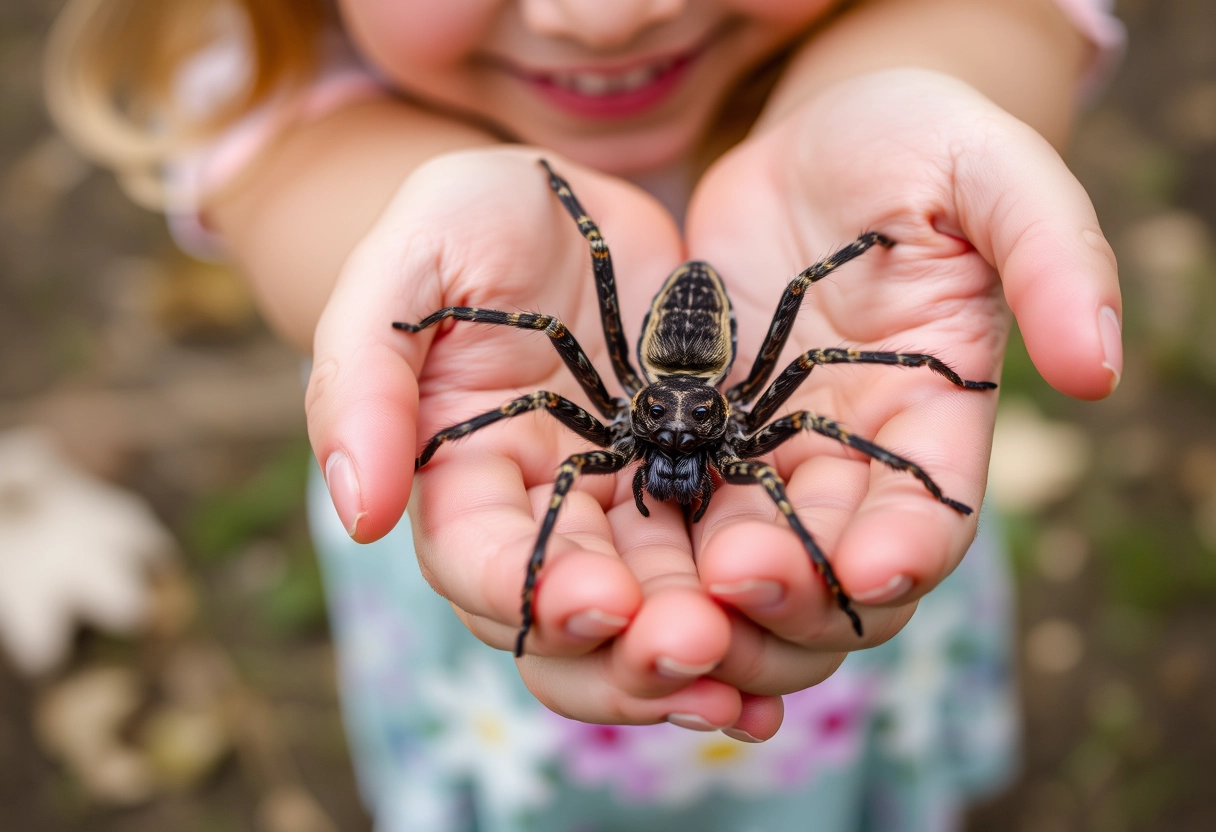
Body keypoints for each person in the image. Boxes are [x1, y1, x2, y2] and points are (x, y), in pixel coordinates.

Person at [47, 1, 1124, 829]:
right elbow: (531, 383)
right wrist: (467, 265)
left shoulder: (747, 405)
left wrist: (888, 216)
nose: (603, 14)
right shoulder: (595, 400)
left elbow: (834, 362)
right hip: (543, 553)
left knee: (829, 368)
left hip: (716, 387)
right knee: (605, 362)